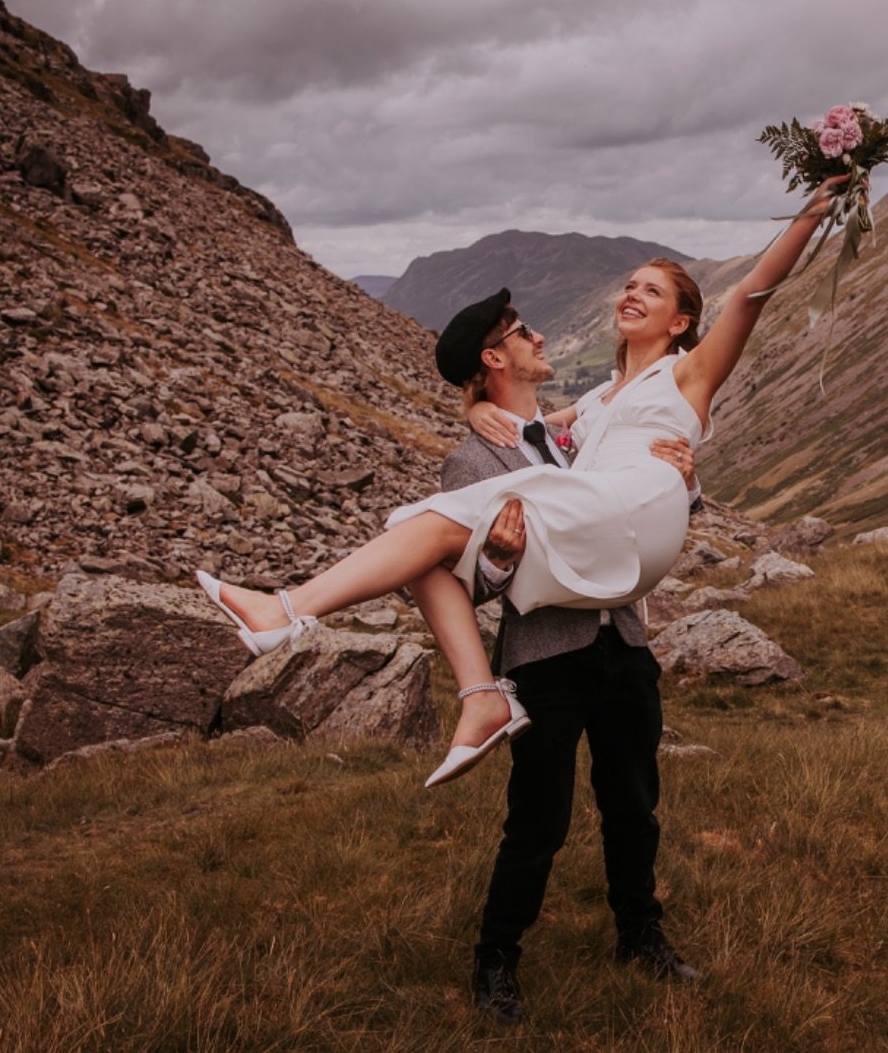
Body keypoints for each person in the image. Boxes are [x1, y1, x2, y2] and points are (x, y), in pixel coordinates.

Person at [194, 172, 852, 788]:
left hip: (633, 513)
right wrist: (478, 400)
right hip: (612, 530)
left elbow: (752, 294)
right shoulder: (600, 398)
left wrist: (812, 213)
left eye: (651, 291)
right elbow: (539, 421)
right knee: (420, 548)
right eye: (630, 284)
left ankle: (284, 611)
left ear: (680, 323)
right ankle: (481, 698)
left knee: (424, 527)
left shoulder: (688, 373)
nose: (632, 294)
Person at [435, 289, 698, 1021]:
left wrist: (686, 481)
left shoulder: (581, 432)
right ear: (495, 359)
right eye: (523, 333)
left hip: (624, 641)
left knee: (635, 803)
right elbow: (461, 587)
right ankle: (496, 959)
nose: (540, 335)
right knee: (539, 818)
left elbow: (644, 503)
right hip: (545, 654)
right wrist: (492, 557)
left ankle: (639, 935)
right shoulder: (469, 461)